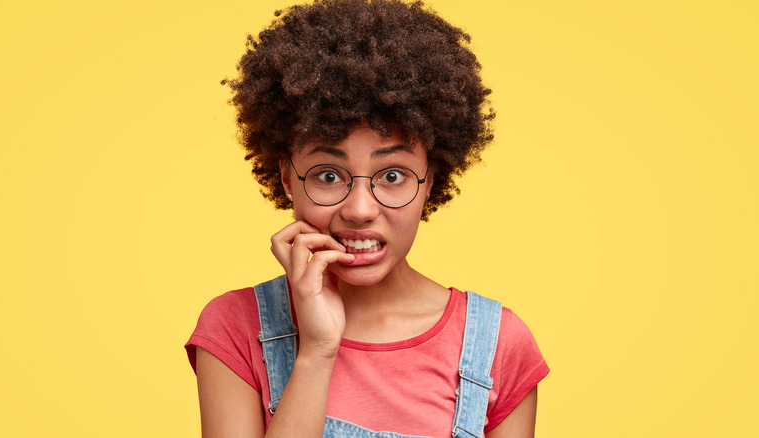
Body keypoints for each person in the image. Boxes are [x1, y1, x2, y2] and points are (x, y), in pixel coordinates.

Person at [185, 0, 549, 436]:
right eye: (327, 175)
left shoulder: (498, 346)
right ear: (286, 177)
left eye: (392, 175)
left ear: (430, 179)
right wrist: (317, 351)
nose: (359, 210)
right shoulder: (234, 328)